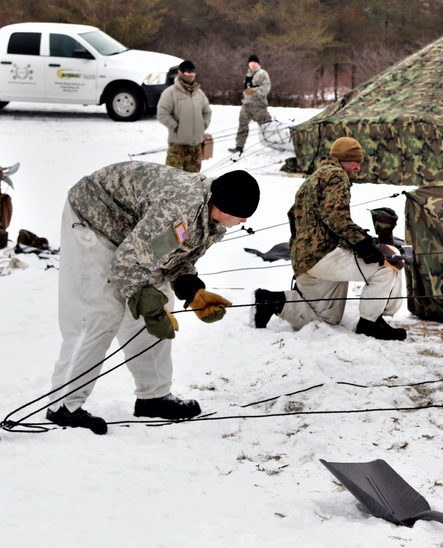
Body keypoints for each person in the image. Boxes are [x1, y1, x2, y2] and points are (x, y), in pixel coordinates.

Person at [46, 162, 261, 434]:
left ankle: (153, 397)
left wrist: (191, 290)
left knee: (161, 302)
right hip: (95, 217)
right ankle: (63, 405)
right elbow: (127, 264)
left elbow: (171, 256)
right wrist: (147, 305)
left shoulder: (210, 218)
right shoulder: (180, 210)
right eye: (242, 215)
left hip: (133, 232)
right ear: (223, 207)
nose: (244, 222)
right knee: (102, 311)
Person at [252, 137, 406, 341]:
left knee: (326, 319)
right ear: (343, 159)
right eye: (355, 161)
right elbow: (335, 216)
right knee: (385, 266)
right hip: (324, 256)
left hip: (305, 261)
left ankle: (273, 301)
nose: (358, 167)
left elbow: (293, 215)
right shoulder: (336, 175)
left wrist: (302, 250)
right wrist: (364, 243)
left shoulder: (314, 177)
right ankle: (370, 323)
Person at [158, 60, 212, 173]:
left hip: (196, 146)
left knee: (193, 179)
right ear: (181, 73)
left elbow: (207, 111)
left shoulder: (199, 93)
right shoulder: (170, 93)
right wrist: (176, 127)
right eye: (188, 73)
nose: (191, 75)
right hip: (177, 146)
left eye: (193, 73)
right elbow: (162, 113)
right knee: (172, 178)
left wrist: (203, 125)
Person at [229, 53, 271, 154]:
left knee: (268, 127)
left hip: (258, 106)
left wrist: (253, 90)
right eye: (251, 62)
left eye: (255, 62)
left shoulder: (262, 74)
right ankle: (239, 147)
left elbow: (266, 88)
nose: (253, 64)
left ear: (258, 63)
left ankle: (279, 144)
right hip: (246, 105)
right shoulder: (248, 75)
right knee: (242, 126)